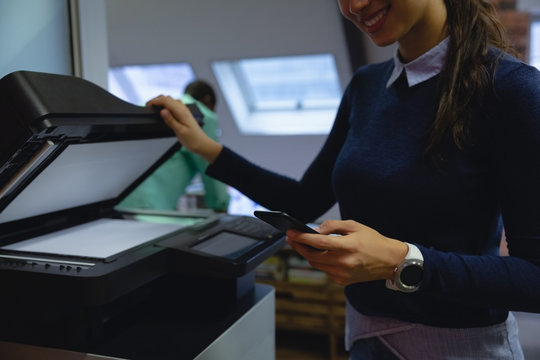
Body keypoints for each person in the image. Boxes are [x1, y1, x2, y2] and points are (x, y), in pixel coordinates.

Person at [145, 0, 540, 358]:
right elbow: (303, 201)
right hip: (365, 341)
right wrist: (204, 147)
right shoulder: (365, 86)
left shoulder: (513, 89)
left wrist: (402, 262)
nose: (354, 6)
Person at [119, 80, 230, 212]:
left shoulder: (157, 109)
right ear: (208, 100)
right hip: (151, 204)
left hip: (121, 197)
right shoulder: (202, 115)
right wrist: (220, 206)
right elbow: (211, 165)